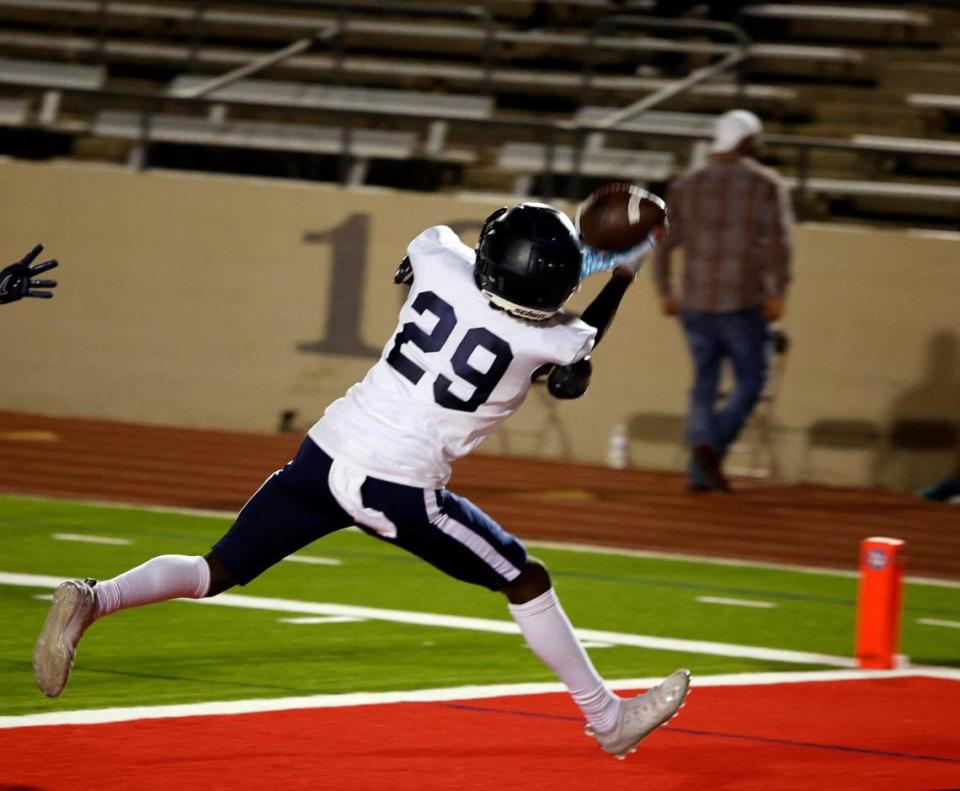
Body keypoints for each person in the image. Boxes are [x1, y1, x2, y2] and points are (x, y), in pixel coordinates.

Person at [34, 203, 690, 759]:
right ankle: (607, 718)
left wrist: (423, 270)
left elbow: (434, 243)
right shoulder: (554, 339)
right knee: (525, 577)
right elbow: (581, 339)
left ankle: (95, 597)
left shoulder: (439, 258)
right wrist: (624, 269)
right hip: (399, 485)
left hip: (327, 450)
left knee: (217, 568)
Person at [652, 109, 793, 492]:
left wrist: (666, 291)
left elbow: (663, 244)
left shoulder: (687, 184)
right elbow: (780, 244)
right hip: (742, 301)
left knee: (704, 382)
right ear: (747, 141)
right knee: (751, 381)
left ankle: (701, 457)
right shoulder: (765, 184)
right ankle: (711, 447)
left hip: (694, 301)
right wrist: (779, 291)